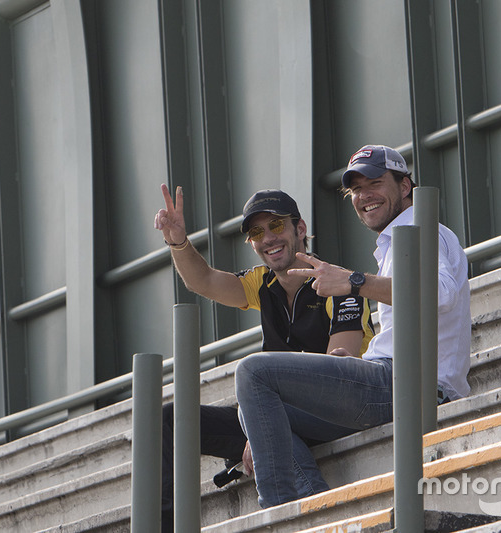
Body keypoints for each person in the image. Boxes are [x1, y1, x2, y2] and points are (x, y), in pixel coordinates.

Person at [234, 144, 471, 508]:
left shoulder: (422, 228)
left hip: (413, 385)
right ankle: (318, 508)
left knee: (253, 373)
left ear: (405, 186)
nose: (364, 196)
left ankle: (281, 514)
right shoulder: (395, 242)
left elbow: (440, 294)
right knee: (254, 408)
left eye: (374, 182)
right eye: (356, 189)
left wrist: (355, 282)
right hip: (388, 380)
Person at [153, 184, 375, 531]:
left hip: (336, 412)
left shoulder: (336, 282)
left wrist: (261, 425)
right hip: (273, 412)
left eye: (276, 226)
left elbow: (338, 372)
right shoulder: (261, 283)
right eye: (257, 232)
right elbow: (204, 281)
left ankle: (314, 514)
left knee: (258, 400)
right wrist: (178, 242)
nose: (268, 238)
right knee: (167, 420)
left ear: (300, 229)